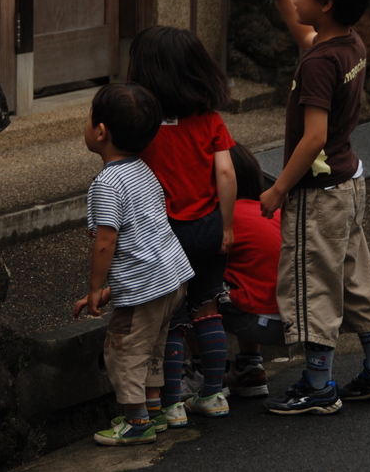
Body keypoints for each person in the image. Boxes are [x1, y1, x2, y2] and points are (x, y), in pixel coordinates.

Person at [242, 0, 370, 416]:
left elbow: (313, 137)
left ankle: (318, 384)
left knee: (312, 283)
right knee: (355, 279)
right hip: (349, 184)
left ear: (327, 3)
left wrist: (277, 188)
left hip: (317, 196)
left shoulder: (319, 63)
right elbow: (307, 37)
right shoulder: (348, 43)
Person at [72, 82, 194, 445]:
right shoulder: (143, 170)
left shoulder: (108, 183)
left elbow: (107, 243)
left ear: (101, 131)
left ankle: (136, 420)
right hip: (171, 278)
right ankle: (153, 409)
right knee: (152, 345)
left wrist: (95, 288)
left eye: (89, 117)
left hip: (147, 287)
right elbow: (143, 239)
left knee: (123, 348)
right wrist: (113, 290)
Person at [127, 26, 236, 418]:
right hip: (207, 227)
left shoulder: (142, 126)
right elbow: (225, 173)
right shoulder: (210, 120)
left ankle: (171, 404)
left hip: (162, 234)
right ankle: (213, 393)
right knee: (207, 308)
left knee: (170, 320)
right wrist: (226, 226)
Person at [218, 143, 286, 398]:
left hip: (261, 322)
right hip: (300, 320)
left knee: (192, 287)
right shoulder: (273, 211)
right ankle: (250, 365)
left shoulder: (224, 218)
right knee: (246, 274)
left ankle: (206, 373)